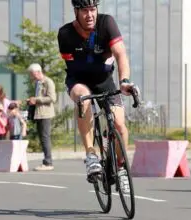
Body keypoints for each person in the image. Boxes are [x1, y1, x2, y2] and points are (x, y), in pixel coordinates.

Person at [57, 0, 136, 187]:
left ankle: (121, 166)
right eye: (84, 10)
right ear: (76, 12)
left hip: (104, 81)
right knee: (83, 99)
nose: (90, 15)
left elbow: (120, 54)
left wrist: (124, 81)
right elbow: (73, 67)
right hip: (79, 81)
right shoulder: (65, 34)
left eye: (92, 9)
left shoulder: (107, 23)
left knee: (119, 125)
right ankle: (91, 155)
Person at [27, 63, 56, 171]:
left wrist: (37, 100)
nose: (31, 77)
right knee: (43, 138)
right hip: (38, 113)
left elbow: (52, 98)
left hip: (46, 114)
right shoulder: (38, 83)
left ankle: (48, 162)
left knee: (45, 138)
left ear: (38, 72)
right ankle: (46, 161)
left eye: (32, 74)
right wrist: (32, 100)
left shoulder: (48, 82)